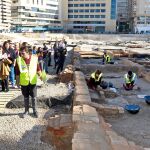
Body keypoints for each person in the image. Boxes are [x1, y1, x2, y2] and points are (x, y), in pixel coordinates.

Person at [16, 46, 43, 118]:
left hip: (32, 81)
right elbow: (17, 72)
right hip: (24, 82)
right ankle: (26, 111)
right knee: (25, 97)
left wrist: (41, 76)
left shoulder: (34, 58)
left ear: (27, 53)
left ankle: (35, 111)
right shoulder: (19, 60)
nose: (21, 55)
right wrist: (17, 82)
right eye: (20, 53)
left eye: (23, 53)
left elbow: (38, 68)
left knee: (34, 97)